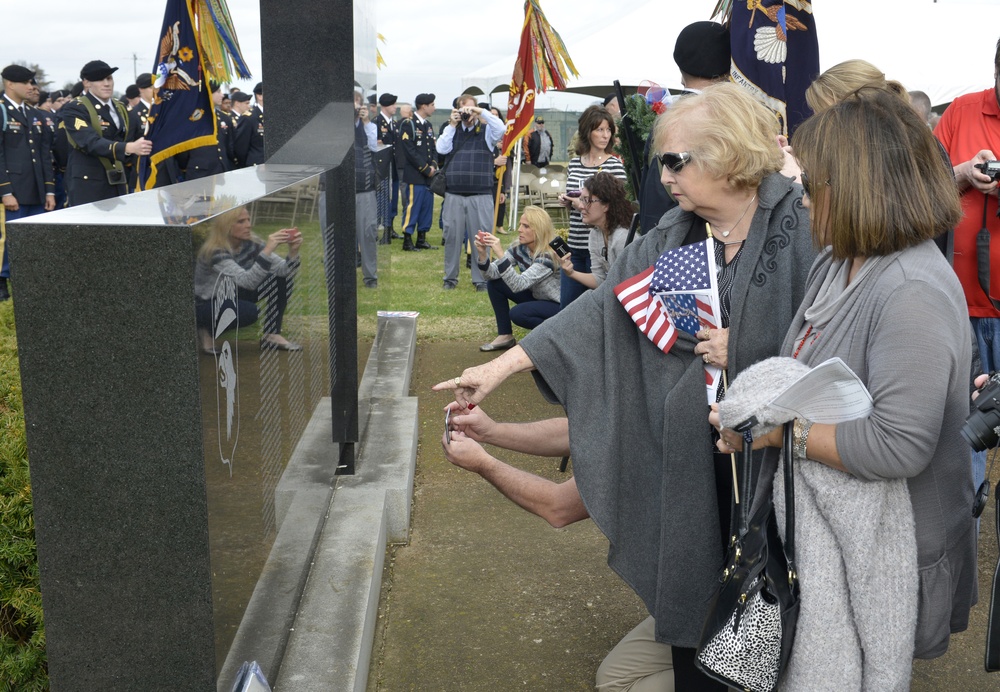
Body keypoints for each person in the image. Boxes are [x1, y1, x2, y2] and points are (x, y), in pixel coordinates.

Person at [435, 82, 815, 690]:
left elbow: (829, 350)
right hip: (700, 467)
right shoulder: (683, 231)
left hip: (781, 478)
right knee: (704, 627)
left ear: (730, 153)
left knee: (777, 626)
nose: (664, 175)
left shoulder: (800, 225)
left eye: (676, 161)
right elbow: (602, 311)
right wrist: (499, 368)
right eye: (661, 161)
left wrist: (745, 352)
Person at [713, 87, 976, 687]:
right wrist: (756, 420)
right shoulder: (839, 260)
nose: (801, 201)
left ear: (855, 188)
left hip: (890, 559)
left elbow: (896, 448)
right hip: (838, 550)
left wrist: (782, 433)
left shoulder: (911, 288)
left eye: (811, 184)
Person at [194, 206, 302, 353]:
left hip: (233, 293)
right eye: (241, 222)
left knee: (281, 278)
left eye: (248, 220)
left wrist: (293, 251)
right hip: (207, 303)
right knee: (249, 312)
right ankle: (205, 328)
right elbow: (248, 282)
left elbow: (285, 272)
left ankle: (272, 335)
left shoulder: (251, 244)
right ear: (226, 227)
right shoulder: (215, 251)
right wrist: (267, 252)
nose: (248, 225)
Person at [558, 105, 627, 308]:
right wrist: (567, 202)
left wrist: (584, 204)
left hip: (600, 245)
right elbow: (576, 195)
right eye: (600, 130)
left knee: (597, 306)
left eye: (608, 130)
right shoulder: (574, 164)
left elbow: (618, 204)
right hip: (575, 243)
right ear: (587, 131)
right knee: (567, 307)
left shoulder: (614, 164)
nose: (606, 136)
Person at [58, 60, 151, 206]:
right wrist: (128, 148)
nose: (106, 83)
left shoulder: (120, 108)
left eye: (109, 78)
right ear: (87, 83)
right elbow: (89, 142)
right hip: (89, 185)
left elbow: (132, 136)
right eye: (100, 79)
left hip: (118, 182)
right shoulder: (76, 108)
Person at [437, 93, 506, 291]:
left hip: (481, 194)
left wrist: (480, 111)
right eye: (464, 109)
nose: (468, 114)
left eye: (471, 109)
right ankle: (450, 278)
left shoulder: (486, 131)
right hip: (454, 194)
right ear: (457, 110)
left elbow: (501, 129)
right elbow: (441, 149)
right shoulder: (451, 130)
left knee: (482, 238)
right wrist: (452, 124)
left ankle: (481, 279)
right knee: (452, 237)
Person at [0, 64, 55, 301]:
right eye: (26, 82)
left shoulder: (34, 114)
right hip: (14, 189)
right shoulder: (2, 110)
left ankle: (28, 281)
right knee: (9, 238)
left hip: (36, 188)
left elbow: (44, 155)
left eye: (32, 82)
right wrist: (5, 191)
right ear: (10, 84)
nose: (31, 87)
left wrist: (50, 191)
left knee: (31, 237)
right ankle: (2, 279)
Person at [475, 205, 561, 352]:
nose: (519, 229)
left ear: (538, 230)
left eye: (526, 226)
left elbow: (518, 285)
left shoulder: (549, 254)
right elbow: (492, 274)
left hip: (557, 305)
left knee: (518, 313)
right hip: (537, 297)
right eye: (521, 224)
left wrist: (501, 254)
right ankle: (505, 336)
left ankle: (557, 335)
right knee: (495, 283)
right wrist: (483, 255)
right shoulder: (520, 247)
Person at [560, 172, 633, 289]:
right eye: (581, 200)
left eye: (587, 200)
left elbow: (629, 285)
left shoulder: (622, 238)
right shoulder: (595, 234)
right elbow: (600, 279)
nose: (581, 206)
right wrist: (572, 273)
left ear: (606, 205)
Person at [398, 92, 438, 251]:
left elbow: (433, 148)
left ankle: (422, 238)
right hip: (416, 175)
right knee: (413, 207)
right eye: (432, 105)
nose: (434, 108)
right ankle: (407, 240)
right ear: (424, 106)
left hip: (429, 176)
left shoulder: (427, 125)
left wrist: (434, 165)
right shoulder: (409, 124)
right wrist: (426, 169)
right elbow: (410, 151)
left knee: (427, 207)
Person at [355, 91, 379, 288]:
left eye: (357, 105)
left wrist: (365, 122)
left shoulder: (369, 127)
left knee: (369, 232)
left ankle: (370, 276)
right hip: (339, 187)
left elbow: (373, 146)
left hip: (364, 186)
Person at [376, 93, 400, 243]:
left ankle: (390, 229)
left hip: (394, 168)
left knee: (393, 199)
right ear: (385, 106)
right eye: (393, 105)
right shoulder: (376, 122)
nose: (395, 107)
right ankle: (384, 232)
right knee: (383, 199)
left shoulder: (394, 124)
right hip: (382, 169)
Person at [234, 82, 264, 167]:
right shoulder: (249, 118)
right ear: (260, 96)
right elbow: (241, 148)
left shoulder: (274, 116)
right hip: (256, 167)